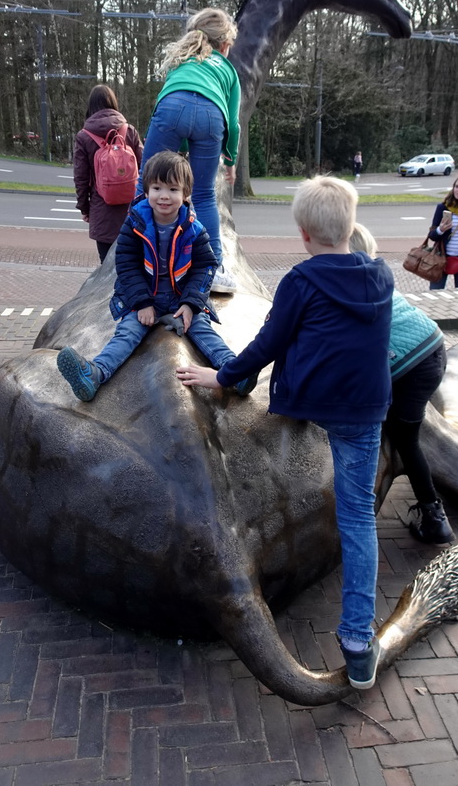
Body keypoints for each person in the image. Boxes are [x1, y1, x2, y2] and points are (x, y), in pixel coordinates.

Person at [177, 175, 393, 691]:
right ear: (350, 226)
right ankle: (359, 644)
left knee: (283, 360)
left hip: (312, 401)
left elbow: (266, 344)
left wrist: (223, 376)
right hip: (365, 411)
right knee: (359, 518)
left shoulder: (301, 281)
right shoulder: (381, 276)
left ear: (303, 234)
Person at [56, 150, 256, 403]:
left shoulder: (194, 228)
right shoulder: (134, 224)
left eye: (173, 189)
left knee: (204, 332)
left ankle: (235, 372)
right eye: (157, 187)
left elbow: (205, 267)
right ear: (147, 190)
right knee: (127, 333)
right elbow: (127, 265)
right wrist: (141, 303)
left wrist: (191, 304)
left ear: (186, 194)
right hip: (146, 296)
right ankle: (95, 374)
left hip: (180, 298)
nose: (164, 196)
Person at [349, 223, 453, 545]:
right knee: (399, 425)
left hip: (414, 364)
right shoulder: (374, 274)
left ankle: (434, 517)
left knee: (405, 437)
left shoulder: (351, 285)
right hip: (432, 343)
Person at [136, 8, 241, 293]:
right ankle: (214, 268)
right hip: (212, 116)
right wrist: (230, 158)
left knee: (145, 181)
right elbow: (233, 122)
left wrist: (176, 145)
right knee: (204, 194)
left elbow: (175, 105)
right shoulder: (228, 71)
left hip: (172, 107)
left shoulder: (181, 60)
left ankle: (136, 254)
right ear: (225, 45)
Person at [73, 84, 143, 263]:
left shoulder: (84, 136)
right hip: (131, 212)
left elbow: (81, 178)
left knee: (106, 268)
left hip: (102, 210)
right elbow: (145, 168)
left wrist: (85, 208)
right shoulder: (129, 131)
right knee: (133, 265)